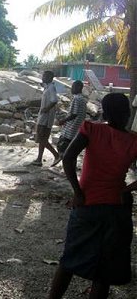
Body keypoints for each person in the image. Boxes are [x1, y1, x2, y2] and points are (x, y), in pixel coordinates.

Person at [49, 93, 137, 299]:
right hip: (117, 208)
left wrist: (77, 192)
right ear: (127, 113)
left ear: (104, 112)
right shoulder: (133, 141)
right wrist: (128, 188)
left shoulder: (92, 129)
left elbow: (68, 158)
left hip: (87, 204)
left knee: (69, 259)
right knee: (105, 270)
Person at [52, 80, 87, 166]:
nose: (71, 89)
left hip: (72, 127)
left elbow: (74, 114)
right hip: (77, 127)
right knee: (71, 148)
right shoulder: (82, 99)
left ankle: (66, 163)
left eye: (73, 87)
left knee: (64, 146)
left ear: (78, 88)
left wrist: (63, 121)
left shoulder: (77, 98)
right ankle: (70, 163)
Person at [31, 70, 59, 166]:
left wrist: (46, 109)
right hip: (44, 116)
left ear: (50, 78)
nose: (43, 78)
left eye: (44, 76)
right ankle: (39, 159)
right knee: (42, 139)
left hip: (46, 118)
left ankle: (56, 155)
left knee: (42, 139)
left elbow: (54, 100)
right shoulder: (47, 87)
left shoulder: (51, 88)